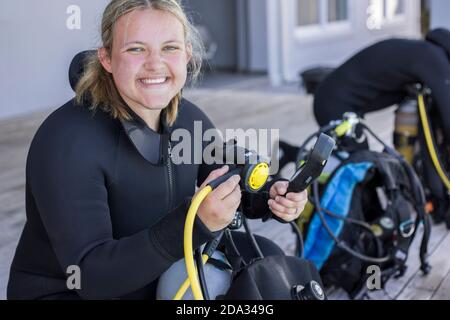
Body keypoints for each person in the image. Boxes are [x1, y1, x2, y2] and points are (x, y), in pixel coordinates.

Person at [7, 0, 307, 300]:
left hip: (151, 278)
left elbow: (228, 178)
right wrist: (197, 223)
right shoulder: (68, 141)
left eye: (170, 48)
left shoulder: (187, 118)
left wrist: (271, 197)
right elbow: (90, 276)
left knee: (267, 264)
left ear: (187, 55)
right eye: (136, 49)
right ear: (107, 58)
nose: (155, 63)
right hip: (73, 293)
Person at [313, 28, 450, 142]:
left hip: (330, 98)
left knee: (345, 160)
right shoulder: (434, 59)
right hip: (335, 105)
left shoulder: (422, 51)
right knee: (360, 166)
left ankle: (292, 153)